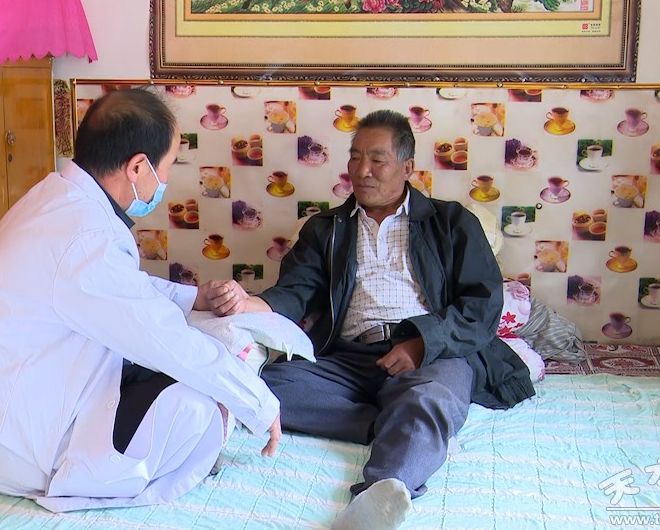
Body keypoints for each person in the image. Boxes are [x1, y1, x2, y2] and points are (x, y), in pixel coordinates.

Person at [0, 88, 281, 512]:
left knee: (193, 362)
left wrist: (194, 297)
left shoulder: (59, 200)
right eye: (167, 167)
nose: (165, 182)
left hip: (9, 418)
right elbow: (159, 334)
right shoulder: (85, 234)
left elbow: (123, 290)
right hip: (25, 451)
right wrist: (258, 402)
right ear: (138, 167)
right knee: (202, 405)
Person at [222, 109, 535, 530]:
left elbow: (482, 306)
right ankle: (405, 425)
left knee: (429, 397)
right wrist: (247, 303)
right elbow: (295, 293)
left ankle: (378, 496)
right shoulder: (326, 229)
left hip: (430, 355)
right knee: (254, 387)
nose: (361, 170)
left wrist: (422, 343)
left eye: (377, 159)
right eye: (355, 157)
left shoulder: (452, 223)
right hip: (348, 360)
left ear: (407, 167)